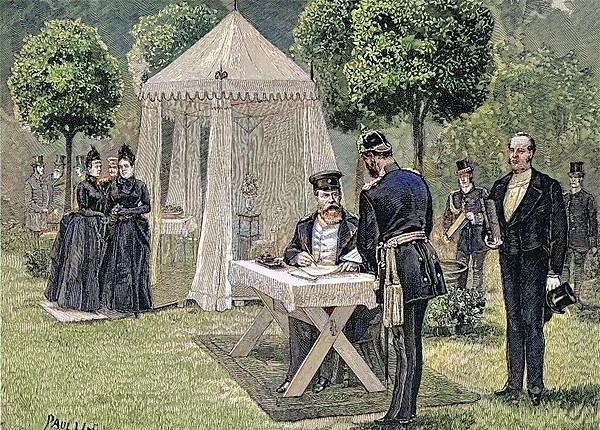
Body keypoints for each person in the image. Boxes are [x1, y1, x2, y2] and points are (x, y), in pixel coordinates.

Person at [355, 131, 446, 426]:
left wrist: (377, 269)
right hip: (423, 263)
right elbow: (428, 224)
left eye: (365, 159)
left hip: (399, 270)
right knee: (413, 342)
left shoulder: (372, 193)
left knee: (403, 345)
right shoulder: (418, 180)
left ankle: (401, 414)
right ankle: (406, 409)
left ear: (371, 157)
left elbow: (367, 243)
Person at [277, 170, 380, 394]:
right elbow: (290, 250)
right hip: (313, 289)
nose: (331, 200)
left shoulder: (355, 225)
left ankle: (325, 376)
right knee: (299, 317)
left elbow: (371, 256)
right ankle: (298, 376)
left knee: (332, 322)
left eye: (335, 194)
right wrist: (296, 257)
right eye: (326, 195)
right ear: (317, 198)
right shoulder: (304, 225)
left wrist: (357, 264)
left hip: (345, 295)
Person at [487, 132, 567, 406]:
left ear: (531, 153)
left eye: (520, 151)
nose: (514, 156)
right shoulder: (499, 187)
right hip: (509, 261)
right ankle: (513, 385)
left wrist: (555, 272)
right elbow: (493, 226)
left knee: (533, 323)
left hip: (536, 263)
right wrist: (491, 238)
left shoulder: (548, 187)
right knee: (513, 322)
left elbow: (559, 233)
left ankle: (534, 386)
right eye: (511, 150)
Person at [45, 146, 107, 311]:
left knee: (93, 263)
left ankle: (90, 302)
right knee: (78, 263)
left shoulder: (99, 186)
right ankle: (73, 300)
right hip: (83, 228)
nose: (99, 168)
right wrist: (100, 215)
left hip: (95, 227)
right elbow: (83, 209)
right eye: (96, 165)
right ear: (88, 168)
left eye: (100, 165)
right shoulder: (82, 186)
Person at [100, 145, 153, 313]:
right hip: (119, 229)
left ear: (132, 167)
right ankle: (119, 303)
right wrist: (114, 213)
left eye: (126, 167)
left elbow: (147, 207)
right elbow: (107, 206)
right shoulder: (114, 186)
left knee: (135, 265)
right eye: (121, 167)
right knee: (119, 264)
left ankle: (137, 303)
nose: (123, 170)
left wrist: (130, 211)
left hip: (136, 229)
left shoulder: (140, 186)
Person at [443, 159, 489, 303]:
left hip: (479, 239)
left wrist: (475, 218)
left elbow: (490, 217)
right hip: (462, 241)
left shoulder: (481, 194)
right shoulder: (454, 197)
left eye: (466, 175)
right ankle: (459, 300)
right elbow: (447, 218)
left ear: (470, 176)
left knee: (477, 270)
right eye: (461, 176)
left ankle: (476, 301)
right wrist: (447, 232)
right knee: (460, 270)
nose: (463, 179)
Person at [563, 161, 597, 298]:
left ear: (581, 179)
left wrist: (593, 243)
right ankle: (563, 297)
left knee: (578, 269)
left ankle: (576, 297)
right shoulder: (565, 198)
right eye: (571, 177)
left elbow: (593, 222)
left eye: (576, 177)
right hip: (565, 240)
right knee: (564, 269)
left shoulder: (587, 199)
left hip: (581, 241)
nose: (573, 180)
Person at [25, 155, 50, 239]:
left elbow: (46, 196)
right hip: (33, 220)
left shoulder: (43, 181)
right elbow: (28, 202)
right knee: (34, 243)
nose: (42, 169)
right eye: (40, 167)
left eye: (43, 167)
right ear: (35, 168)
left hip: (43, 218)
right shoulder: (29, 182)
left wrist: (45, 208)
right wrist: (40, 209)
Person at [47, 155, 66, 229]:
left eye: (59, 166)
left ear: (63, 168)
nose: (57, 168)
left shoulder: (65, 182)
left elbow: (60, 201)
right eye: (56, 166)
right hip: (46, 209)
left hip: (57, 211)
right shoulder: (48, 180)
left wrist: (52, 209)